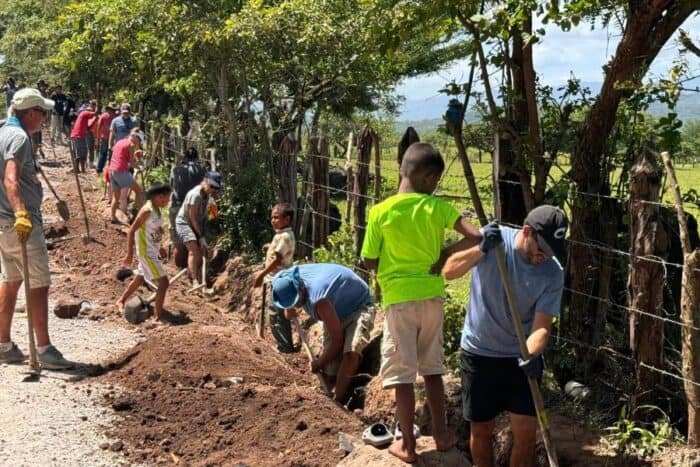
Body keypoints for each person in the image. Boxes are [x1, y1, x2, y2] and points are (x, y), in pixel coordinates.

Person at [361, 142, 481, 463]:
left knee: (402, 374)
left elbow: (368, 259)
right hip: (432, 298)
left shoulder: (381, 211)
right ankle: (441, 435)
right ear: (429, 177)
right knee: (432, 369)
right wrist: (444, 254)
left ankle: (408, 445)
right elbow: (475, 236)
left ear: (403, 169)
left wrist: (389, 266)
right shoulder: (437, 208)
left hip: (399, 301)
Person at [442, 205, 568, 467]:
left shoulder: (552, 273)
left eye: (551, 250)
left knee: (525, 432)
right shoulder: (494, 243)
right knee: (481, 429)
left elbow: (542, 326)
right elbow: (449, 271)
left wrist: (531, 354)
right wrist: (480, 247)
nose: (544, 255)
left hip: (519, 357)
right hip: (479, 351)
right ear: (526, 232)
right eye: (541, 247)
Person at [0, 88, 72, 369]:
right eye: (41, 114)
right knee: (39, 283)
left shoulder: (4, 131)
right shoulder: (18, 138)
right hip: (21, 224)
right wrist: (21, 214)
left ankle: (3, 344)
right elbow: (10, 178)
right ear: (31, 113)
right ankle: (44, 349)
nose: (43, 119)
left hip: (2, 223)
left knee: (12, 280)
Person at [271, 263, 375, 404]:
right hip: (334, 310)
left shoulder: (319, 299)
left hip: (358, 306)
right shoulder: (284, 278)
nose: (296, 305)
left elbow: (337, 340)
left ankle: (337, 404)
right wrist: (288, 307)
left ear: (301, 287)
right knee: (330, 372)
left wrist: (319, 362)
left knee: (351, 352)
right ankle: (325, 396)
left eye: (297, 301)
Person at [117, 182, 172, 321]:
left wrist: (161, 247)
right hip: (146, 252)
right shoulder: (147, 210)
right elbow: (131, 230)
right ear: (159, 197)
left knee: (141, 277)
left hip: (152, 250)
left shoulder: (157, 210)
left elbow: (156, 229)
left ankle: (121, 301)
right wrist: (129, 254)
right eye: (167, 198)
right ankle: (158, 318)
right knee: (164, 283)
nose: (168, 201)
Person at [253, 203, 296, 353]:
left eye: (276, 217)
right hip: (278, 278)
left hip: (279, 279)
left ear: (287, 219)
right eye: (272, 217)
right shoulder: (281, 234)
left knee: (277, 314)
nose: (273, 220)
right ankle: (285, 344)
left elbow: (277, 260)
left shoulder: (284, 236)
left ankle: (285, 347)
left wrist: (261, 274)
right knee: (277, 312)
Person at [175, 172, 221, 287]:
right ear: (205, 181)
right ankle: (194, 281)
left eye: (216, 187)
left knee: (202, 251)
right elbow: (192, 218)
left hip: (196, 224)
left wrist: (202, 236)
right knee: (194, 250)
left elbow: (204, 217)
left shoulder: (206, 194)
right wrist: (200, 237)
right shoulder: (195, 195)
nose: (213, 189)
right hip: (184, 223)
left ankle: (198, 276)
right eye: (212, 186)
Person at [168, 147, 206, 267]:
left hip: (177, 206)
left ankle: (179, 271)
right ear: (197, 158)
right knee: (194, 244)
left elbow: (171, 187)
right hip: (194, 209)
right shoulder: (203, 169)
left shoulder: (176, 170)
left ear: (184, 158)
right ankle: (194, 274)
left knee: (178, 243)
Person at [108, 129, 145, 223]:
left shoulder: (120, 141)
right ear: (136, 137)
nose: (139, 143)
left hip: (112, 170)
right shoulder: (131, 145)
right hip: (121, 171)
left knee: (116, 197)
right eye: (139, 140)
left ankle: (113, 217)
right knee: (138, 191)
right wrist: (140, 168)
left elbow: (123, 157)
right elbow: (132, 163)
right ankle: (140, 216)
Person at [69, 100, 95, 173]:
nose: (90, 112)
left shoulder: (84, 118)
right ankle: (79, 170)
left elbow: (88, 128)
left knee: (81, 152)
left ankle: (80, 170)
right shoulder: (84, 113)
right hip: (78, 136)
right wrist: (96, 112)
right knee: (81, 152)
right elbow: (94, 114)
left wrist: (95, 120)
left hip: (78, 136)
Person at [95, 103, 117, 174]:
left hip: (104, 137)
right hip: (113, 138)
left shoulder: (103, 115)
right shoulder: (116, 117)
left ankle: (99, 169)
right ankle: (110, 170)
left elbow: (98, 127)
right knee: (112, 153)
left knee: (103, 153)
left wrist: (97, 138)